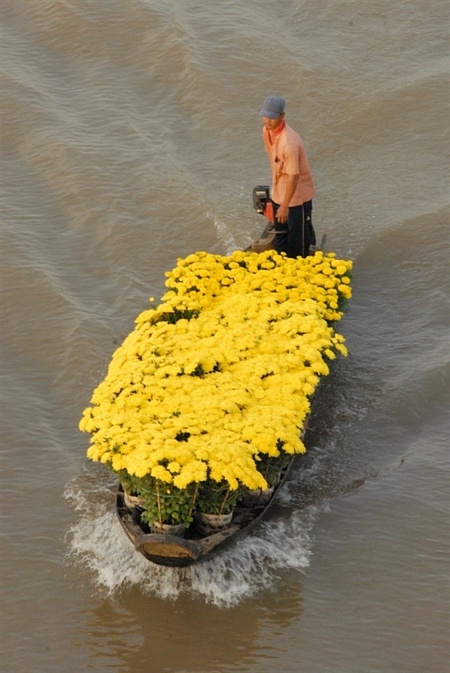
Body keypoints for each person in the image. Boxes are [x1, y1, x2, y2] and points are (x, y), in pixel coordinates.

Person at [259, 95, 316, 257]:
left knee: (298, 240)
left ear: (282, 116)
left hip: (295, 197)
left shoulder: (289, 143)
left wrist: (285, 206)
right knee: (281, 235)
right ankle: (283, 266)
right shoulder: (266, 131)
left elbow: (294, 176)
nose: (267, 121)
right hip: (279, 191)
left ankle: (301, 266)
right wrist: (277, 200)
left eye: (272, 117)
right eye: (265, 116)